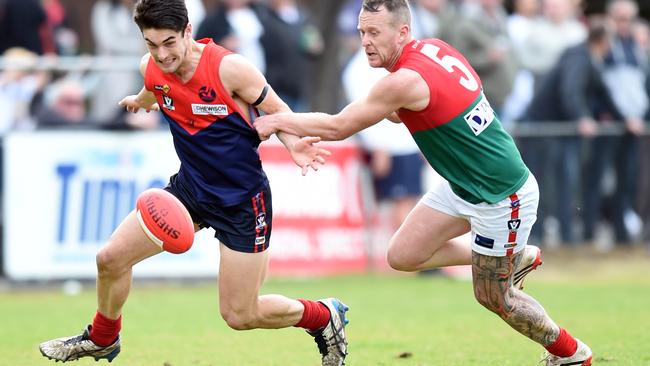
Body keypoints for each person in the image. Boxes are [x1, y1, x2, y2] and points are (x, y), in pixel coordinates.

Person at [254, 1, 592, 365]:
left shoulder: (403, 81)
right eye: (361, 32)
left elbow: (339, 127)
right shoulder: (434, 48)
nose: (365, 41)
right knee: (402, 255)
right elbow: (429, 105)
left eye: (374, 33)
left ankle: (572, 354)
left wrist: (277, 122)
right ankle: (516, 256)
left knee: (494, 298)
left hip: (501, 195)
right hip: (462, 184)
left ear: (402, 32)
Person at [38, 1, 348, 366]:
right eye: (152, 45)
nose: (161, 54)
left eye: (169, 42)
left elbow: (279, 111)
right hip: (189, 190)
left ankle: (323, 316)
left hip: (243, 201)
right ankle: (103, 339)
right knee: (110, 259)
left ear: (188, 30)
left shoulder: (230, 69)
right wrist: (140, 102)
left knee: (240, 315)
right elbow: (153, 89)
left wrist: (294, 143)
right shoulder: (151, 66)